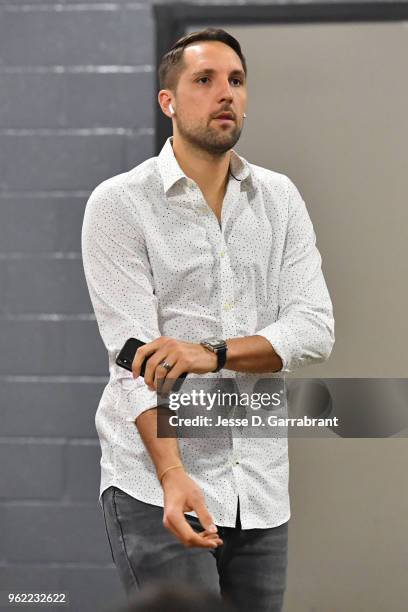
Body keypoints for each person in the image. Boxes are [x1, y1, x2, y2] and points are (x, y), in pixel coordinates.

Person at [81, 27, 335, 612]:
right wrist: (172, 476)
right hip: (155, 485)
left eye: (237, 81)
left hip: (260, 488)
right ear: (168, 101)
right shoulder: (120, 204)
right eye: (205, 80)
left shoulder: (280, 199)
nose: (227, 94)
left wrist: (212, 352)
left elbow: (314, 328)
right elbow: (132, 365)